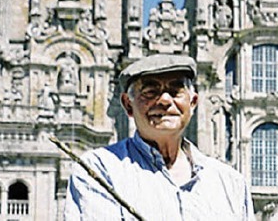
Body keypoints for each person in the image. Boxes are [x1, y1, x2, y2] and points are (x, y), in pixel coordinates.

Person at [65, 53, 255, 220]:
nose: (164, 100)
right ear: (128, 104)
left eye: (175, 91)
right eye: (150, 92)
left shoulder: (231, 183)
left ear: (193, 102)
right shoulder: (99, 169)